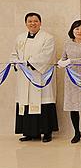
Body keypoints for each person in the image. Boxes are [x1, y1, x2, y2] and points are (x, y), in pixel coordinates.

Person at [10, 12, 58, 142]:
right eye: (30, 21)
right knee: (26, 102)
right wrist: (16, 62)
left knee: (43, 103)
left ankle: (46, 132)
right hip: (24, 77)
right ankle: (30, 132)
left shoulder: (48, 38)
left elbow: (46, 55)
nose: (33, 23)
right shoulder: (20, 38)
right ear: (26, 23)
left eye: (35, 21)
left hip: (39, 76)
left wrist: (30, 63)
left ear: (40, 23)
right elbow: (14, 53)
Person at [58, 20, 81, 143]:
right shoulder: (68, 43)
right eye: (77, 29)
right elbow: (64, 57)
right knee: (73, 105)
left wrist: (69, 61)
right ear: (72, 30)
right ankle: (77, 133)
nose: (79, 31)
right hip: (70, 77)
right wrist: (61, 62)